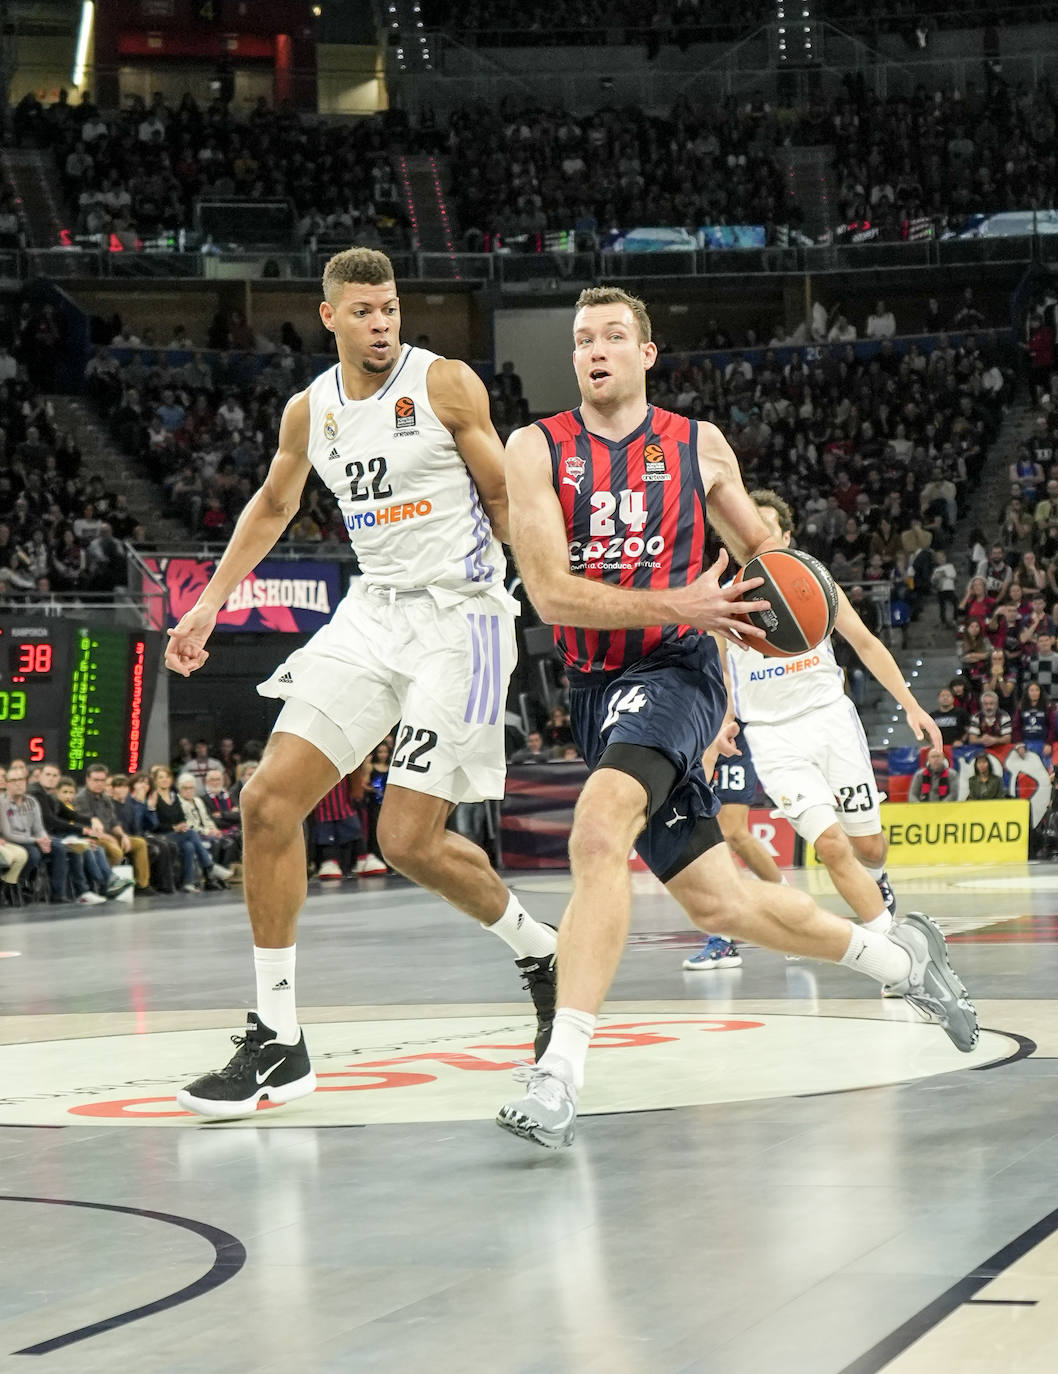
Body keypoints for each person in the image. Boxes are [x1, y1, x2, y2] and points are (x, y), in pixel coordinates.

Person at [497, 284, 976, 1149]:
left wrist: (783, 598)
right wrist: (679, 594)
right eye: (581, 339)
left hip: (680, 671)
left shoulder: (696, 446)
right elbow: (549, 592)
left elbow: (767, 556)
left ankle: (558, 1072)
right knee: (722, 905)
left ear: (646, 354)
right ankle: (908, 960)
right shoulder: (535, 448)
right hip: (593, 687)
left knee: (598, 832)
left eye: (613, 335)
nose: (595, 349)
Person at [165, 247, 558, 1118]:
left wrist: (548, 590)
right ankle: (279, 1041)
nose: (383, 323)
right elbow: (272, 505)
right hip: (375, 612)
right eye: (366, 310)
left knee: (406, 839)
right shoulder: (312, 411)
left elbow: (504, 496)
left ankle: (542, 952)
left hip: (465, 617)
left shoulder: (446, 383)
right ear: (331, 315)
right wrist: (206, 606)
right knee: (267, 803)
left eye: (391, 308)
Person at [722, 490, 942, 936]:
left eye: (765, 531)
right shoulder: (723, 600)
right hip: (771, 737)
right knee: (831, 846)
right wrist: (725, 723)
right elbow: (724, 675)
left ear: (786, 537)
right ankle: (891, 948)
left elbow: (865, 643)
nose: (754, 540)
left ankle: (879, 881)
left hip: (829, 720)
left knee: (869, 847)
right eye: (746, 532)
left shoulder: (815, 583)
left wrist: (912, 704)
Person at [681, 721, 783, 972]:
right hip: (695, 738)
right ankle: (724, 937)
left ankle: (788, 906)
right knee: (710, 834)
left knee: (731, 832)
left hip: (727, 736)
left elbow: (726, 696)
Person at [74, 763, 151, 893]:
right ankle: (106, 884)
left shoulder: (106, 798)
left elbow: (114, 822)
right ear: (87, 780)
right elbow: (86, 826)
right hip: (92, 837)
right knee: (116, 852)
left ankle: (142, 885)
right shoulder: (81, 799)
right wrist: (109, 837)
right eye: (96, 780)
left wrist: (123, 835)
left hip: (110, 835)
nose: (99, 783)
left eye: (102, 780)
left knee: (139, 843)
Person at [1, 759, 68, 900]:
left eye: (21, 779)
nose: (18, 783)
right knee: (33, 853)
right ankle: (20, 888)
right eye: (13, 780)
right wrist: (37, 840)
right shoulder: (3, 803)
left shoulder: (32, 801)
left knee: (59, 847)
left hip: (31, 839)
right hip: (12, 841)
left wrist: (44, 839)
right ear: (6, 784)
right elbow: (8, 834)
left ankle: (58, 894)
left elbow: (39, 828)